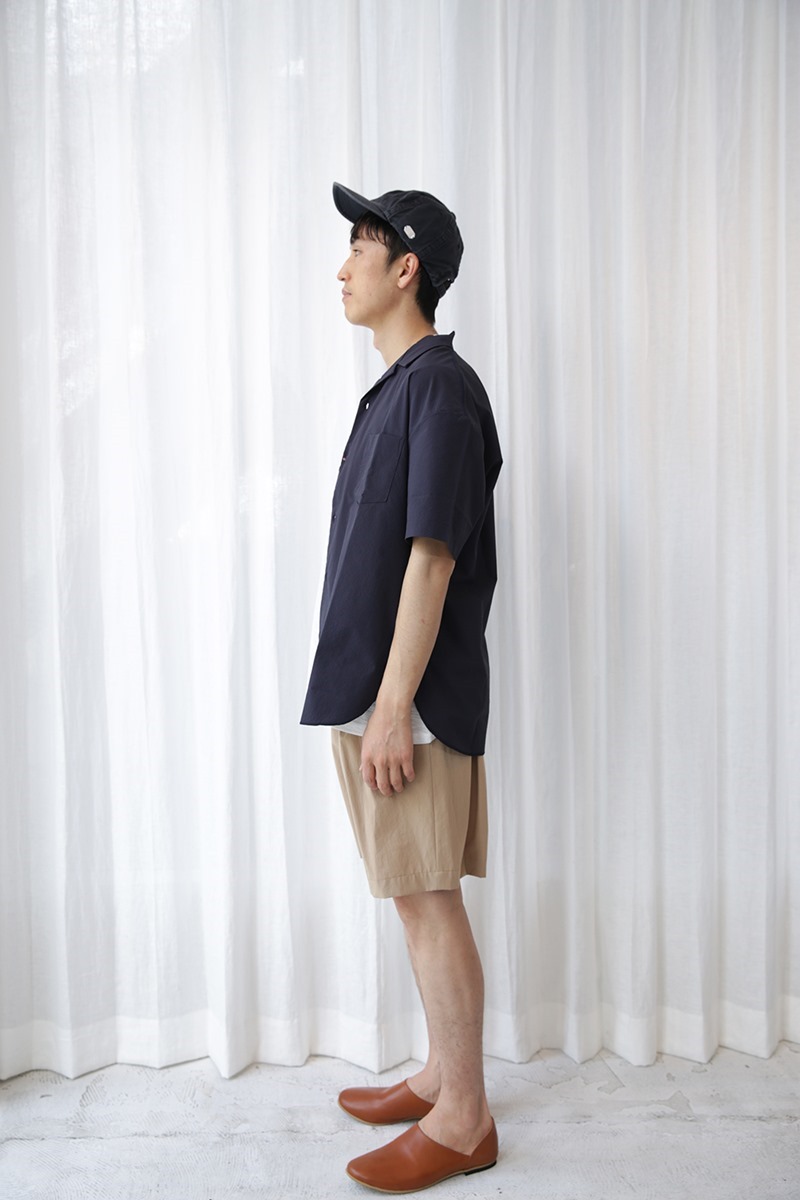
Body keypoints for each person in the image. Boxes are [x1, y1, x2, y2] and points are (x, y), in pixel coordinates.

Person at [301, 182, 502, 1193]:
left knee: (427, 903)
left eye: (359, 249)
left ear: (405, 267)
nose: (342, 269)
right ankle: (439, 1077)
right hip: (383, 696)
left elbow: (432, 559)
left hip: (409, 707)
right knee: (415, 900)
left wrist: (391, 709)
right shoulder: (404, 386)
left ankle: (464, 1120)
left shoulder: (440, 390)